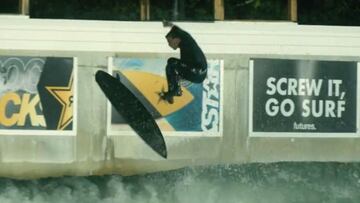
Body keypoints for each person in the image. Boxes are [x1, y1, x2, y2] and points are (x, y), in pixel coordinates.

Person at [160, 21, 207, 104]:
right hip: (198, 72)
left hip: (197, 71)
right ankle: (173, 92)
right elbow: (178, 30)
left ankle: (175, 90)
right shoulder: (183, 39)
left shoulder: (186, 41)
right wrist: (170, 25)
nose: (169, 44)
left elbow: (181, 33)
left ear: (176, 39)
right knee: (172, 65)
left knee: (172, 62)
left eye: (169, 42)